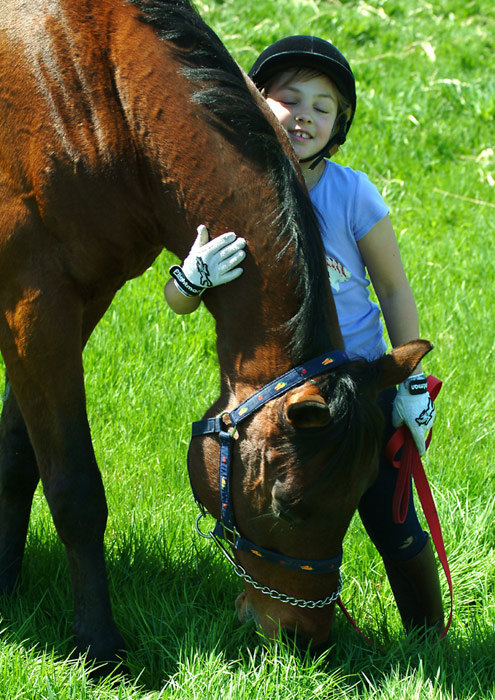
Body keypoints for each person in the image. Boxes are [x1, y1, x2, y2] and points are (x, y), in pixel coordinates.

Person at [164, 35, 443, 633]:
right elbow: (180, 304)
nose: (306, 117)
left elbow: (393, 289)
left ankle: (428, 637)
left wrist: (409, 382)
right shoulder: (238, 196)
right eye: (291, 100)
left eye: (324, 107)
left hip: (359, 392)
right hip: (287, 394)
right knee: (283, 500)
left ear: (340, 124)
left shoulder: (352, 195)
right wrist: (190, 278)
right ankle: (275, 598)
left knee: (391, 517)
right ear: (260, 104)